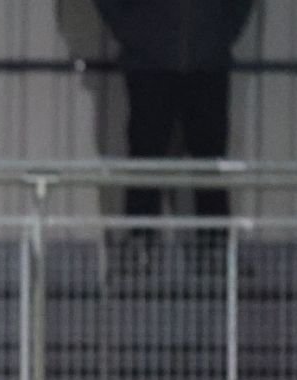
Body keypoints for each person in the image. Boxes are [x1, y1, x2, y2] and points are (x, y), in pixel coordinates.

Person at [93, 0, 253, 247]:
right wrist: (133, 34)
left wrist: (222, 33)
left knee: (211, 159)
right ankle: (140, 245)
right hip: (149, 64)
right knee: (146, 157)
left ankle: (215, 250)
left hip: (207, 61)